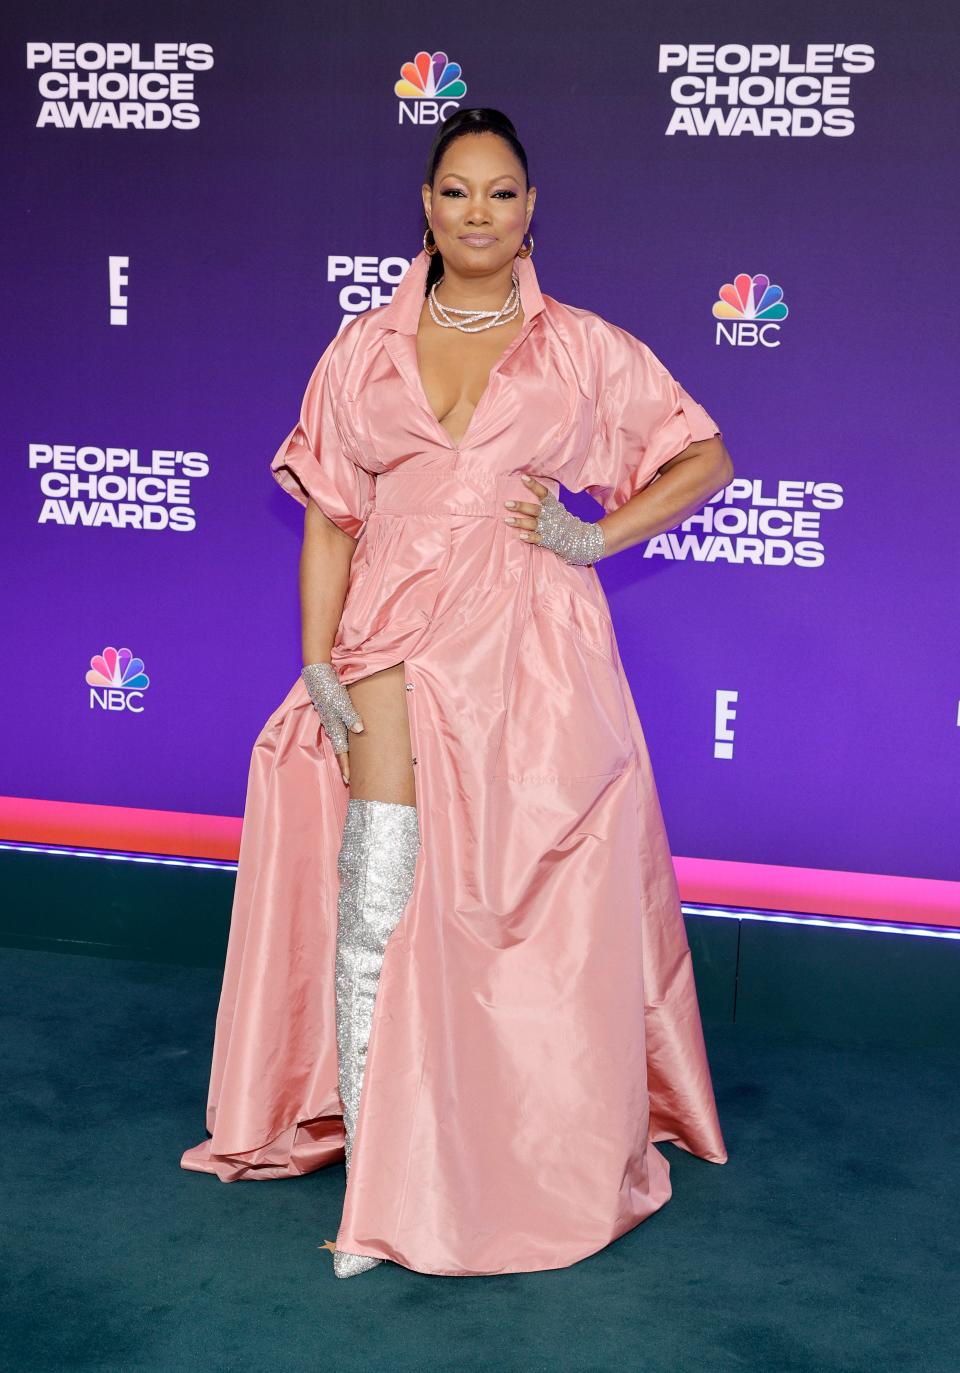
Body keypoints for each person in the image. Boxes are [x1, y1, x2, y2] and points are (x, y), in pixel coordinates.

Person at [182, 107, 733, 1279]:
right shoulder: (360, 348)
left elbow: (705, 457)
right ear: (424, 206)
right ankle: (387, 1162)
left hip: (536, 650)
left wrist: (597, 534)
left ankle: (527, 1140)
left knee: (531, 904)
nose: (478, 213)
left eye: (501, 193)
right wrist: (319, 659)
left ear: (533, 210)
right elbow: (333, 516)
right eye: (456, 191)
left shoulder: (586, 349)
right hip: (393, 642)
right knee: (380, 885)